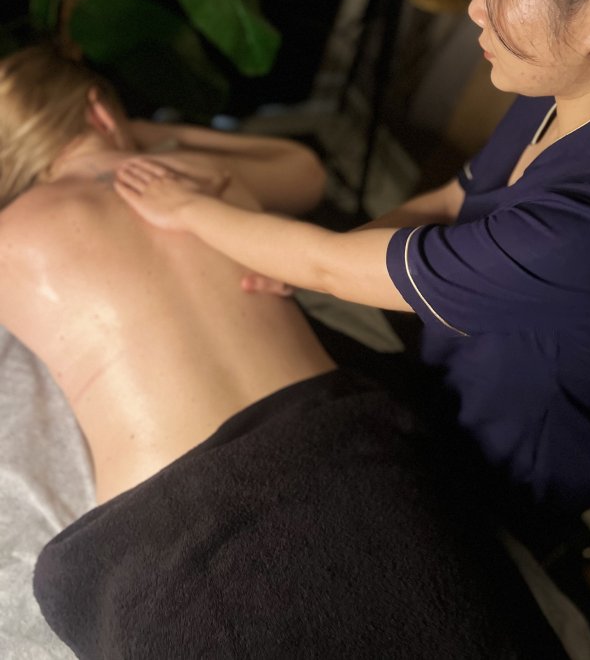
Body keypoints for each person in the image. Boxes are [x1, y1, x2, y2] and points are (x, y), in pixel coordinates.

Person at [115, 0, 590, 532]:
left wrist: (187, 207)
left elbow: (326, 267)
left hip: (505, 467)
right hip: (446, 374)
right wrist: (328, 260)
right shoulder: (574, 91)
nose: (476, 6)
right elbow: (450, 201)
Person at [0, 43, 558, 658]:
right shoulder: (196, 177)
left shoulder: (9, 238)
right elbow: (302, 166)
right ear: (100, 109)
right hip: (336, 448)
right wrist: (144, 135)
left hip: (164, 520)